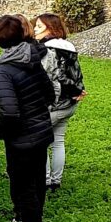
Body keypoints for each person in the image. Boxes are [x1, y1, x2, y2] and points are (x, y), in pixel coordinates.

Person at [0, 15, 55, 222]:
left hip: (21, 139)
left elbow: (9, 111)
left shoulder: (4, 70)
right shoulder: (31, 58)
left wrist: (4, 131)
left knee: (26, 191)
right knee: (37, 186)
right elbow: (49, 94)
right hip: (40, 133)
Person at [33, 13, 86, 194]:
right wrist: (78, 90)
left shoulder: (45, 49)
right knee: (58, 141)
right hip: (69, 104)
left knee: (40, 142)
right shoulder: (69, 46)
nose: (35, 30)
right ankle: (56, 180)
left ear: (51, 28)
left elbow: (54, 77)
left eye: (39, 26)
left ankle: (46, 179)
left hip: (53, 104)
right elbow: (75, 73)